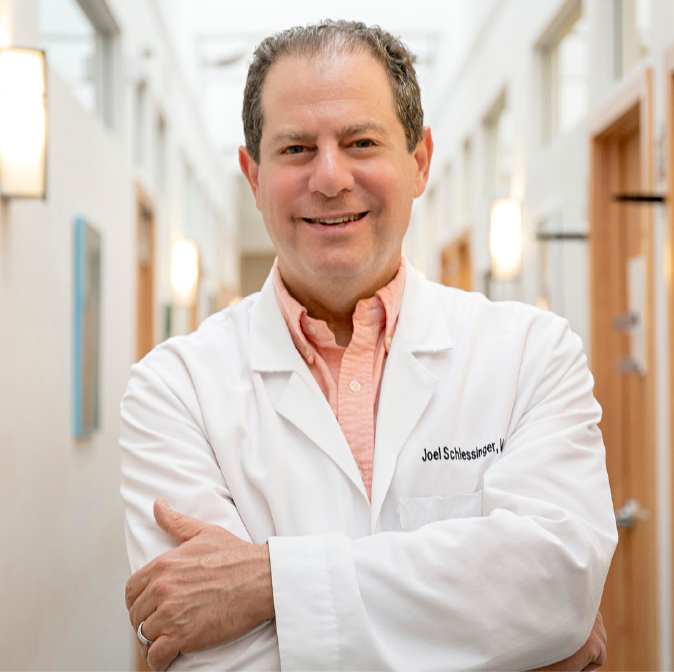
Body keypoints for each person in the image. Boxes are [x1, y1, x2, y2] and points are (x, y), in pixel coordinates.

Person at [120, 20, 617, 672]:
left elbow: (557, 587)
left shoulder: (533, 354)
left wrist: (266, 581)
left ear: (419, 162)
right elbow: (217, 661)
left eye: (360, 141)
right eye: (296, 149)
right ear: (252, 174)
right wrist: (500, 639)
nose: (330, 178)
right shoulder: (173, 389)